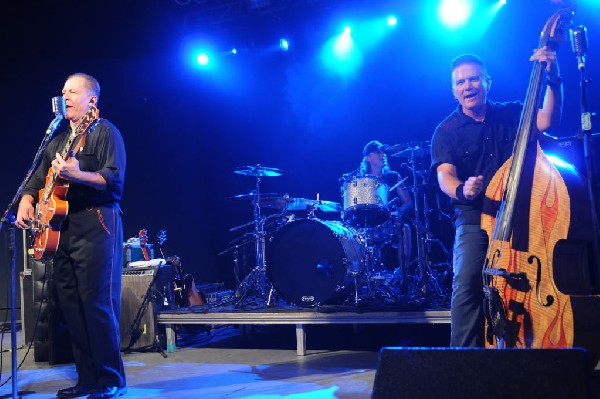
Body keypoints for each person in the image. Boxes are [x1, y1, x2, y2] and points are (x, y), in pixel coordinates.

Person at [430, 50, 562, 347]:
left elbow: (549, 120)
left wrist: (553, 78)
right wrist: (463, 189)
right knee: (466, 284)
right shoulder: (445, 131)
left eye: (474, 79)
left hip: (519, 213)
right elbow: (444, 176)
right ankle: (464, 364)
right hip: (475, 215)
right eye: (461, 82)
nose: (468, 86)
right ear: (454, 90)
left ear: (487, 82)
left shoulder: (514, 112)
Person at [15, 73, 127, 398]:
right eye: (63, 91)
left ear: (92, 99)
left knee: (95, 303)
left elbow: (114, 180)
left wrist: (79, 174)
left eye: (73, 91)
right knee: (71, 305)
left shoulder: (106, 132)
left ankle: (110, 380)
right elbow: (36, 178)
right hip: (59, 229)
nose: (65, 96)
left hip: (96, 225)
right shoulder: (59, 138)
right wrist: (26, 202)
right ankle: (88, 379)